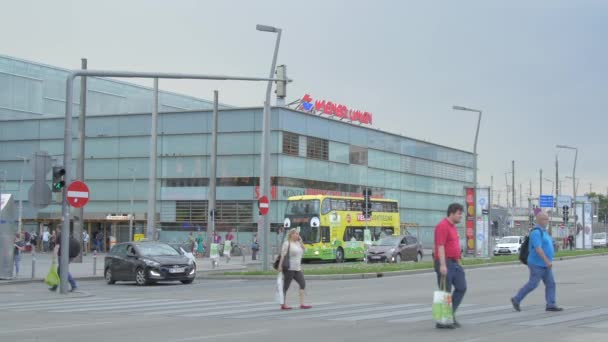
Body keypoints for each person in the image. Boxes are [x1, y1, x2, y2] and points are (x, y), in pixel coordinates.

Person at [511, 212, 563, 312]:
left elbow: (547, 245)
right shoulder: (536, 232)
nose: (547, 221)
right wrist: (547, 260)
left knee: (551, 284)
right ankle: (516, 299)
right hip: (537, 263)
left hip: (545, 264)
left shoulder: (544, 232)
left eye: (547, 219)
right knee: (533, 284)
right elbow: (538, 248)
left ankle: (551, 304)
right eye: (545, 219)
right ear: (539, 220)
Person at [433, 203, 467, 329]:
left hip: (454, 263)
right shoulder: (442, 226)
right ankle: (443, 320)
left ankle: (449, 315)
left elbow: (453, 245)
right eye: (459, 214)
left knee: (461, 287)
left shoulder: (453, 227)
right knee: (445, 292)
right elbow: (440, 246)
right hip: (445, 262)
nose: (460, 216)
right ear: (451, 213)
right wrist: (442, 265)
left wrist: (459, 261)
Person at [278, 228, 312, 310]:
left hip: (297, 268)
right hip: (289, 268)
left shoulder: (298, 243)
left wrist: (301, 241)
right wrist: (280, 265)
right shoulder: (287, 243)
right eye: (296, 234)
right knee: (286, 286)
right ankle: (283, 304)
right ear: (291, 235)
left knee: (302, 284)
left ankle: (302, 304)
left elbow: (305, 250)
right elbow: (282, 255)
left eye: (298, 234)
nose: (298, 235)